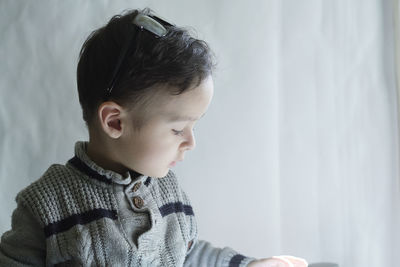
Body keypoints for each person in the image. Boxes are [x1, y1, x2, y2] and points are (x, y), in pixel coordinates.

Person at [0, 7, 308, 267]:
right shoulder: (46, 206)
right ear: (115, 122)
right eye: (177, 129)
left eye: (193, 126)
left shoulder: (169, 192)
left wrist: (247, 264)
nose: (190, 142)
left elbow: (188, 253)